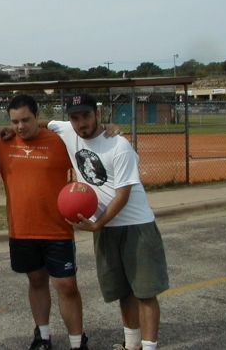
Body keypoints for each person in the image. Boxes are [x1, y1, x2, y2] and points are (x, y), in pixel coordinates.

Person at [47, 93, 169, 350]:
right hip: (105, 228)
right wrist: (4, 128)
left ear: (98, 114)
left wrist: (96, 224)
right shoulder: (67, 130)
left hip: (135, 226)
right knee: (123, 292)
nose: (81, 123)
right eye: (75, 118)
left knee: (145, 292)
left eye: (86, 115)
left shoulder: (118, 145)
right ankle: (132, 344)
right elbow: (38, 123)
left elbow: (122, 194)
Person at [0, 94, 89, 350]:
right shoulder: (1, 145)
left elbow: (88, 136)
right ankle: (42, 337)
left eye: (26, 120)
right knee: (36, 281)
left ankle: (77, 342)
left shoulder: (60, 142)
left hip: (57, 229)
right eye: (15, 121)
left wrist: (111, 128)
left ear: (38, 116)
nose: (20, 126)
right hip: (22, 230)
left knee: (66, 286)